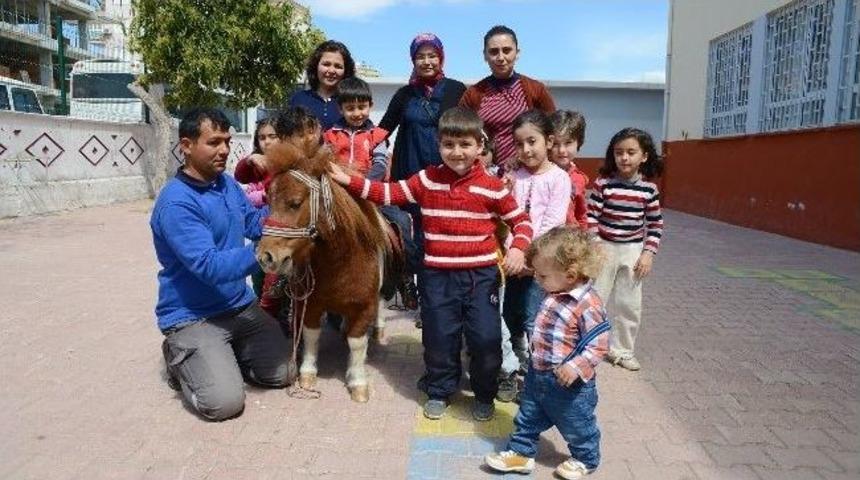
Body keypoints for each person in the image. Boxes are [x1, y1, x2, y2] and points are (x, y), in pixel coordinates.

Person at [328, 107, 532, 422]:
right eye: (449, 144)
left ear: (480, 146)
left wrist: (518, 249)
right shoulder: (427, 179)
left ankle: (484, 392)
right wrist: (347, 179)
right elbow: (387, 193)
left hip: (481, 277)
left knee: (486, 339)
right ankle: (440, 390)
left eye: (465, 145)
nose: (457, 152)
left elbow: (522, 222)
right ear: (439, 145)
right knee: (439, 337)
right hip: (437, 276)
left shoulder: (492, 187)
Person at [151, 108, 290, 421]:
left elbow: (254, 223)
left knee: (283, 373)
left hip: (238, 306)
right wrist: (267, 249)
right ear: (186, 145)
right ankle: (179, 357)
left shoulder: (225, 184)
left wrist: (286, 221)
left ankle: (221, 356)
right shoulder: (177, 202)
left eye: (227, 141)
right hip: (193, 317)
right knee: (224, 404)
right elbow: (209, 266)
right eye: (214, 142)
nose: (225, 150)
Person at [485, 226, 609, 479]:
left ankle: (586, 458)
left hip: (569, 385)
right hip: (538, 374)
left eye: (543, 276)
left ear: (571, 274)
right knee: (527, 418)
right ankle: (521, 453)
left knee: (577, 423)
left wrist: (575, 367)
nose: (538, 281)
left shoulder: (588, 304)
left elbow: (598, 344)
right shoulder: (554, 291)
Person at [379, 33, 467, 314]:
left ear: (441, 58)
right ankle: (411, 286)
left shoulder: (457, 90)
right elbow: (383, 129)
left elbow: (473, 128)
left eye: (432, 55)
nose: (427, 61)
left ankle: (435, 304)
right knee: (413, 238)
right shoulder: (405, 95)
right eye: (421, 56)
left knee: (440, 239)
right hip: (410, 178)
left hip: (446, 178)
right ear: (413, 60)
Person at [322, 77, 419, 309]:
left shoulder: (377, 135)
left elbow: (379, 163)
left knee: (402, 222)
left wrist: (364, 185)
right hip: (340, 195)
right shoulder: (330, 136)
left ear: (370, 105)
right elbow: (325, 161)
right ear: (340, 108)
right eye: (350, 108)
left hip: (373, 194)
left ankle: (406, 277)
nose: (357, 113)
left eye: (361, 107)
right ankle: (293, 279)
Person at [501, 110, 571, 399]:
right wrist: (512, 251)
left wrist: (529, 260)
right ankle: (512, 369)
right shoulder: (512, 177)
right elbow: (504, 218)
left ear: (549, 141)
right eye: (519, 144)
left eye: (532, 141)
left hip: (541, 268)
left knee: (534, 320)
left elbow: (552, 224)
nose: (526, 149)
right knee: (509, 317)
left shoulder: (559, 178)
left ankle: (535, 377)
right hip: (512, 262)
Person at [588, 128, 664, 371]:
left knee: (629, 304)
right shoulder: (603, 185)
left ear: (644, 156)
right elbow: (591, 217)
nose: (624, 158)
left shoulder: (649, 190)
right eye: (619, 152)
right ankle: (590, 347)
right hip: (604, 248)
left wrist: (648, 254)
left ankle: (622, 351)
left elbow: (655, 225)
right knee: (595, 300)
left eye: (631, 152)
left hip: (633, 251)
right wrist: (595, 244)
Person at [460, 25, 556, 173]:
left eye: (507, 50)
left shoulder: (535, 90)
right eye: (493, 52)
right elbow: (460, 131)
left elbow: (552, 129)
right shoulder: (474, 94)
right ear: (485, 55)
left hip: (527, 172)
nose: (500, 57)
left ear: (517, 53)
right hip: (486, 174)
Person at [234, 117, 284, 319]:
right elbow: (240, 179)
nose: (267, 142)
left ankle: (272, 314)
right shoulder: (256, 163)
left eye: (273, 136)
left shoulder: (287, 164)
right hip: (260, 230)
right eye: (262, 137)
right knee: (258, 274)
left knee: (277, 278)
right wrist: (250, 160)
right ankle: (265, 312)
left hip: (282, 231)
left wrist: (264, 196)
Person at [289, 40, 356, 130]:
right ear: (316, 66)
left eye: (338, 66)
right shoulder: (299, 99)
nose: (332, 71)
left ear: (346, 71)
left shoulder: (351, 101)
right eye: (326, 64)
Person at [550, 110, 590, 229]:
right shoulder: (540, 172)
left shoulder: (579, 179)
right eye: (555, 144)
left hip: (568, 238)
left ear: (579, 143)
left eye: (568, 143)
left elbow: (581, 213)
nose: (562, 150)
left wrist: (583, 238)